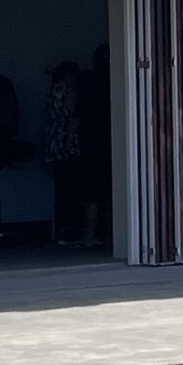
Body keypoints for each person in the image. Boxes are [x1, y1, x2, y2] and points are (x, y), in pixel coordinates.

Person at [43, 60, 85, 242]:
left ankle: (60, 229)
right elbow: (73, 115)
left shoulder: (53, 90)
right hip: (67, 142)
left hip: (53, 141)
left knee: (60, 188)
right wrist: (70, 142)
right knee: (73, 188)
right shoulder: (69, 91)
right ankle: (72, 229)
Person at [78, 44, 113, 249]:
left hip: (90, 139)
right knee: (111, 191)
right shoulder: (116, 78)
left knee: (91, 192)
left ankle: (89, 235)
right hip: (112, 138)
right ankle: (113, 236)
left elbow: (77, 110)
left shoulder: (87, 80)